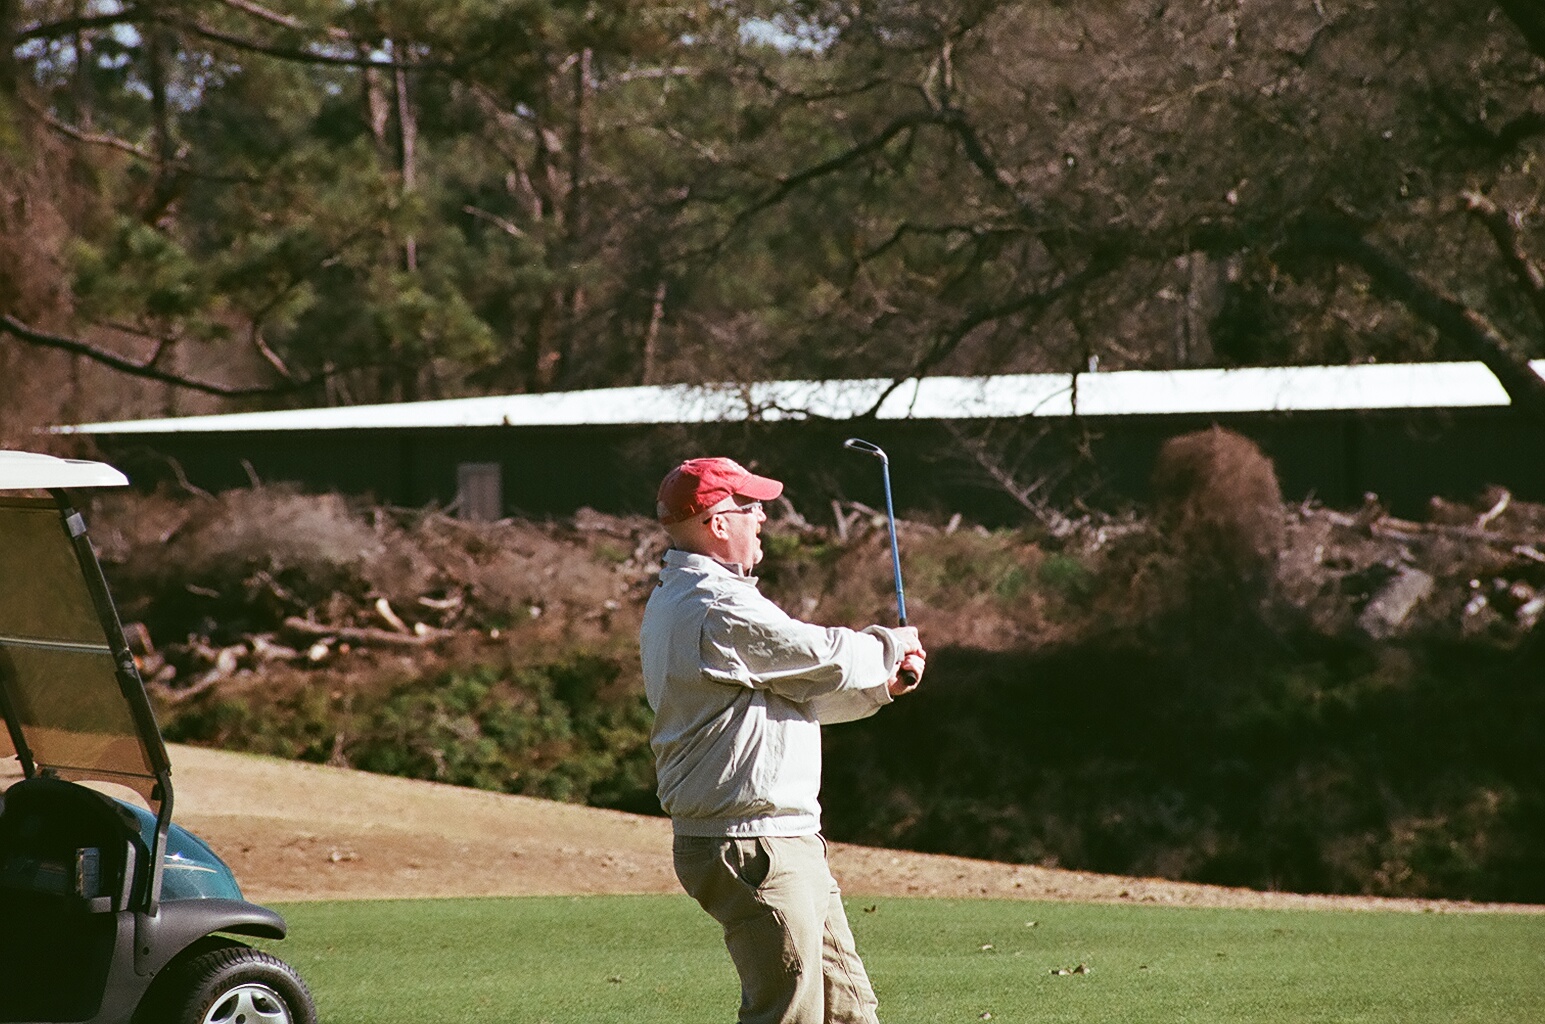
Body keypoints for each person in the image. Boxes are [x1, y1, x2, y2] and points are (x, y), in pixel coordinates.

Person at [639, 456, 926, 1024]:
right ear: (717, 523)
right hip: (752, 843)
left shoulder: (694, 596)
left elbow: (797, 693)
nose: (763, 517)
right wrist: (888, 646)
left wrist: (882, 686)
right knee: (789, 1014)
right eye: (750, 507)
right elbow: (819, 654)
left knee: (848, 1010)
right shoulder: (714, 604)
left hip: (779, 837)